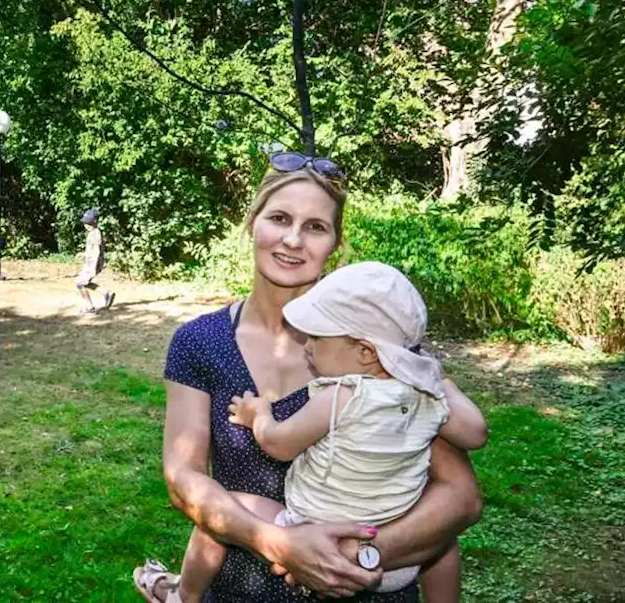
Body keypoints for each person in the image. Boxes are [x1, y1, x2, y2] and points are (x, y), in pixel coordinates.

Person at [133, 152, 484, 603]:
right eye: (280, 218)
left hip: (370, 590)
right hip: (242, 589)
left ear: (335, 244)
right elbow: (183, 478)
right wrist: (278, 543)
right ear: (252, 222)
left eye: (316, 227)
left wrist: (355, 557)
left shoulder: (376, 349)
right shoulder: (199, 342)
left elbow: (461, 497)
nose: (293, 240)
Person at [170, 261, 489, 602]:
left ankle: (183, 596)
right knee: (442, 546)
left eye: (318, 337)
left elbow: (279, 444)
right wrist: (441, 383)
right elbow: (476, 433)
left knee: (223, 509)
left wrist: (258, 415)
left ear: (365, 352)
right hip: (394, 553)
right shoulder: (425, 397)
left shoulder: (340, 395)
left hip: (310, 528)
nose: (307, 345)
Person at [76, 208, 115, 314]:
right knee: (84, 283)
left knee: (80, 283)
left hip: (93, 264)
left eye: (88, 222)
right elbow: (92, 250)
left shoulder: (95, 233)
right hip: (91, 263)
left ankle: (89, 307)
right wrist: (84, 254)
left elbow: (97, 251)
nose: (86, 225)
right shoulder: (93, 233)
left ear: (94, 222)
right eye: (85, 222)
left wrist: (93, 267)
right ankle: (107, 293)